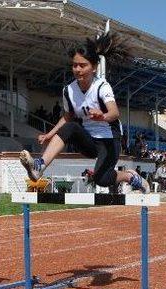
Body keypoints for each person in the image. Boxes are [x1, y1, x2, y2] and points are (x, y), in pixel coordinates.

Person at [18, 33, 149, 193]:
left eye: (82, 65)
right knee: (71, 127)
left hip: (109, 140)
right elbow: (67, 116)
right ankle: (39, 166)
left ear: (93, 67)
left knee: (102, 179)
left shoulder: (102, 87)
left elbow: (114, 113)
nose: (77, 69)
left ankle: (130, 177)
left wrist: (103, 116)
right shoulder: (69, 90)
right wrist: (49, 134)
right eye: (74, 65)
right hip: (89, 140)